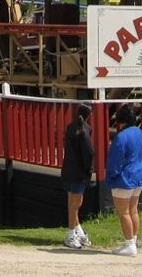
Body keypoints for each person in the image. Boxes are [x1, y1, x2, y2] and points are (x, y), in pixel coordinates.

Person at [106, 103, 142, 257]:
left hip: (125, 178)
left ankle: (129, 245)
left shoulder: (121, 137)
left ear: (120, 120)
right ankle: (133, 241)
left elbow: (114, 160)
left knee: (123, 212)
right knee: (133, 210)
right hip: (139, 174)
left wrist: (111, 175)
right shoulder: (140, 132)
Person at [60, 103, 94, 249]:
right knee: (76, 204)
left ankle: (77, 230)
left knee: (72, 202)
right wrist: (89, 170)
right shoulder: (84, 131)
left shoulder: (70, 127)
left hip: (68, 169)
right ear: (89, 115)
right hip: (79, 172)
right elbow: (89, 153)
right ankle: (70, 234)